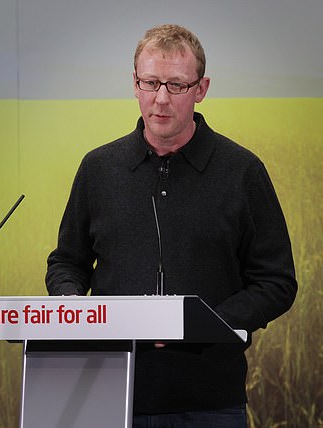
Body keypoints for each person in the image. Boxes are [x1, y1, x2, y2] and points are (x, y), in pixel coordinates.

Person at [45, 24, 297, 427]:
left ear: (201, 88)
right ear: (135, 84)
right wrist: (72, 302)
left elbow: (276, 281)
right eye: (150, 82)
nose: (161, 99)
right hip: (108, 393)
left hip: (209, 403)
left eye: (177, 85)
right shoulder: (99, 169)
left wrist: (206, 323)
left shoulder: (242, 171)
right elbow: (65, 263)